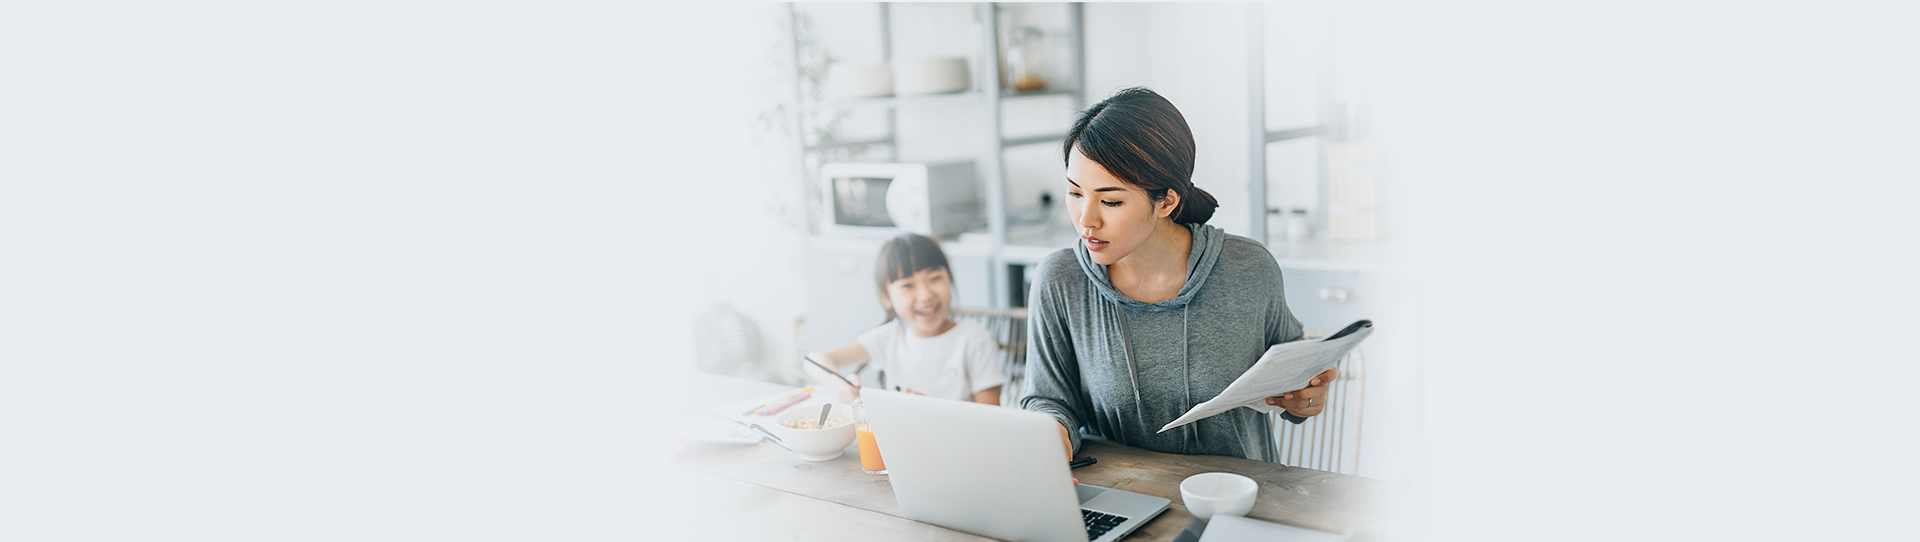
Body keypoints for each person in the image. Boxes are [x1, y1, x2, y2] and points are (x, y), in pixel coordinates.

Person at [1021, 87, 1339, 463]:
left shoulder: (1248, 269)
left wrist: (1304, 399)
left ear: (1167, 201)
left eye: (1110, 201)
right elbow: (1047, 400)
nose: (1086, 220)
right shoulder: (1060, 279)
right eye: (1075, 194)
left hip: (1238, 500)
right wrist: (1048, 439)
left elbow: (1292, 386)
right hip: (1120, 497)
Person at [802, 233, 1005, 406]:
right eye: (908, 285)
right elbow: (814, 360)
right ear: (886, 297)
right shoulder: (889, 337)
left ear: (949, 279)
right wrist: (840, 386)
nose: (925, 295)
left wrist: (932, 413)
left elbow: (991, 421)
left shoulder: (973, 339)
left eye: (935, 278)